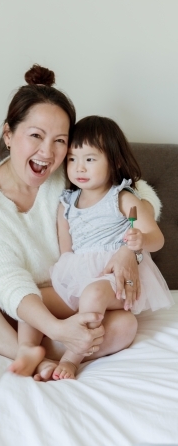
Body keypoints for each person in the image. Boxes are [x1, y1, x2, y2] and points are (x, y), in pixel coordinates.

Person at [0, 65, 161, 380]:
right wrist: (57, 328)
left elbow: (138, 197)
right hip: (18, 304)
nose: (48, 153)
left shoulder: (72, 170)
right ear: (8, 134)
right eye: (35, 135)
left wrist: (129, 251)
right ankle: (31, 351)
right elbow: (7, 282)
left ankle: (12, 346)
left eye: (60, 140)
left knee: (124, 327)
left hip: (79, 295)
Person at [46, 116, 173, 379]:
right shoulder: (66, 205)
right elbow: (66, 253)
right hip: (78, 275)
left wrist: (139, 241)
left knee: (94, 293)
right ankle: (10, 344)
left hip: (115, 280)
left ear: (114, 161)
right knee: (32, 299)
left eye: (90, 159)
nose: (79, 167)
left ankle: (71, 358)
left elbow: (155, 237)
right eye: (72, 158)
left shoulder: (122, 197)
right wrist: (66, 284)